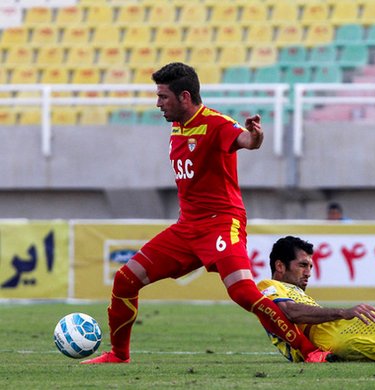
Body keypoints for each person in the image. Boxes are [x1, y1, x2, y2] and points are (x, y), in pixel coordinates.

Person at [82, 63, 331, 364]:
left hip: (222, 223)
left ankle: (310, 351)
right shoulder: (178, 125)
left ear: (184, 97)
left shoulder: (217, 124)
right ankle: (119, 355)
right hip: (187, 228)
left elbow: (247, 142)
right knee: (125, 279)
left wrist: (256, 136)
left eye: (163, 97)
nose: (158, 103)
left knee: (242, 292)